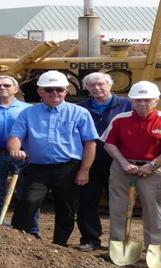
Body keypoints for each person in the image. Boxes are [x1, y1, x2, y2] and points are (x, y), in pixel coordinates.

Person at [6, 70, 97, 245]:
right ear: (40, 92)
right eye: (49, 89)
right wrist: (15, 150)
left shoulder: (80, 113)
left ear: (66, 91)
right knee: (28, 203)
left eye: (59, 89)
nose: (54, 93)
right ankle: (19, 241)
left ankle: (59, 244)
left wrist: (84, 170)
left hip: (68, 168)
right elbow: (15, 137)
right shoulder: (28, 113)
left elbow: (90, 143)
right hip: (37, 168)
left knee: (66, 208)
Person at [99, 81, 161, 258]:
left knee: (153, 210)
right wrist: (123, 163)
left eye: (147, 100)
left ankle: (155, 249)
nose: (142, 104)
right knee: (118, 209)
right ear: (131, 101)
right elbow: (109, 144)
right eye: (137, 100)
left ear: (156, 100)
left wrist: (152, 165)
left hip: (154, 170)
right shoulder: (120, 119)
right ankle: (117, 248)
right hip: (123, 168)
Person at [72, 71, 132, 251]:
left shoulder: (127, 105)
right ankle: (90, 238)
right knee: (86, 200)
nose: (97, 88)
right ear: (86, 88)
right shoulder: (80, 108)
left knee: (119, 202)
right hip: (88, 162)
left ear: (110, 85)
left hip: (118, 161)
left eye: (101, 84)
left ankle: (119, 240)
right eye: (92, 85)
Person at [0, 74, 35, 233]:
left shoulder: (29, 109)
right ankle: (0, 229)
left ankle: (29, 229)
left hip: (23, 156)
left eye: (6, 85)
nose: (2, 88)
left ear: (16, 89)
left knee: (28, 195)